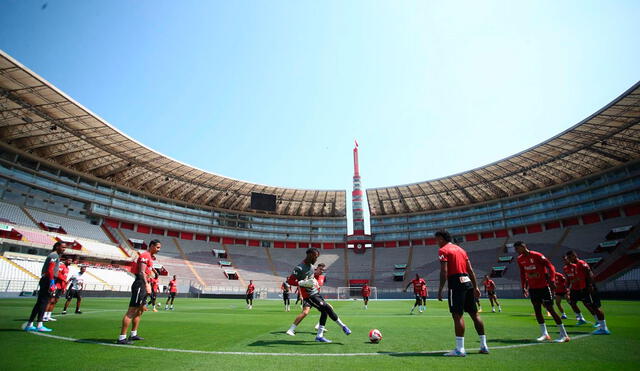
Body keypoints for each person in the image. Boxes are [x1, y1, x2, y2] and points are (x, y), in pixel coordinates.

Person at [435, 230, 488, 356]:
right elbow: (470, 269)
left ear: (441, 238)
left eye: (437, 239)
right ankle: (484, 346)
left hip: (456, 283)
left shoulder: (443, 250)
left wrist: (440, 289)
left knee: (457, 315)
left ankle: (460, 349)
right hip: (467, 282)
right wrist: (476, 287)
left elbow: (444, 271)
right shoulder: (461, 250)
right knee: (475, 314)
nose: (436, 242)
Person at [286, 248, 350, 343]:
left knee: (325, 311)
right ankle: (343, 326)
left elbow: (311, 279)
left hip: (316, 293)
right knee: (325, 307)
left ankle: (319, 336)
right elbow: (290, 281)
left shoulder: (312, 267)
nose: (316, 259)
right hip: (309, 295)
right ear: (310, 255)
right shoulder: (299, 268)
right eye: (315, 257)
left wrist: (314, 282)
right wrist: (301, 283)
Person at [514, 241, 569, 343]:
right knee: (537, 310)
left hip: (543, 287)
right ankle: (545, 334)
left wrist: (552, 280)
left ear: (523, 246)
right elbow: (522, 273)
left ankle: (564, 335)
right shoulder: (520, 259)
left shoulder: (537, 255)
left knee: (550, 309)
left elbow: (551, 266)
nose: (516, 251)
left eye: (517, 249)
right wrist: (524, 287)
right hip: (533, 288)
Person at [117, 240, 161, 344]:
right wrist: (146, 284)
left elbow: (147, 270)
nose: (159, 250)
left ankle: (133, 334)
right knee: (132, 311)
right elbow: (141, 272)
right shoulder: (145, 255)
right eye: (158, 247)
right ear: (151, 246)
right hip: (140, 284)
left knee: (140, 311)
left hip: (145, 285)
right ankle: (122, 338)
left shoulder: (150, 257)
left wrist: (153, 273)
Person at [565, 250, 610, 335]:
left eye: (570, 257)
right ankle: (602, 327)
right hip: (585, 288)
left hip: (588, 288)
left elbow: (590, 273)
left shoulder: (581, 263)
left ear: (574, 256)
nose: (569, 259)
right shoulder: (577, 265)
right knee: (592, 306)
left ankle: (604, 328)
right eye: (568, 258)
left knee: (595, 307)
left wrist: (590, 286)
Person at [25, 241, 67, 332]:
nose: (64, 249)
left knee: (40, 303)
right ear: (57, 247)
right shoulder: (54, 255)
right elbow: (50, 269)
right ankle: (39, 325)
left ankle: (30, 324)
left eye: (65, 248)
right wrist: (52, 282)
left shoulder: (54, 255)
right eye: (62, 247)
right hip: (48, 279)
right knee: (44, 302)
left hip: (47, 279)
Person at [286, 263, 328, 336]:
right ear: (316, 268)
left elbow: (318, 287)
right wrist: (301, 295)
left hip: (316, 297)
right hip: (307, 296)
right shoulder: (310, 275)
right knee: (305, 312)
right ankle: (291, 329)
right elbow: (301, 284)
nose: (321, 271)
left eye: (323, 270)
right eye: (320, 269)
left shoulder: (323, 277)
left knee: (328, 309)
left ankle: (319, 326)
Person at [562, 255, 597, 325]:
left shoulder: (576, 266)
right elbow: (568, 279)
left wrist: (576, 280)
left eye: (566, 259)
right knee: (572, 303)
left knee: (587, 304)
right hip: (574, 289)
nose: (565, 261)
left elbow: (582, 276)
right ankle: (581, 319)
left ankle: (597, 319)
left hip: (581, 288)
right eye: (564, 260)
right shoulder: (565, 268)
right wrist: (567, 288)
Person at [44, 256, 70, 322]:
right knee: (51, 301)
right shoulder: (61, 266)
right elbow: (57, 274)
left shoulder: (67, 269)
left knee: (55, 301)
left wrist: (64, 287)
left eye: (71, 260)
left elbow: (64, 278)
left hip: (61, 287)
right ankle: (44, 316)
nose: (70, 262)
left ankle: (48, 316)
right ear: (66, 260)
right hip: (56, 286)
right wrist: (64, 279)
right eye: (69, 260)